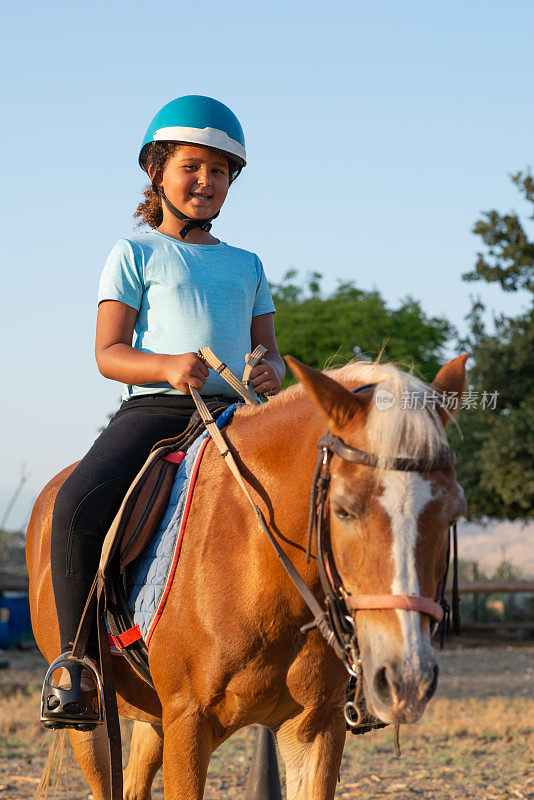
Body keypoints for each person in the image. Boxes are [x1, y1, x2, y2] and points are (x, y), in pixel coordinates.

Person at [42, 95, 285, 729]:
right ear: (158, 171)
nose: (206, 181)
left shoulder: (247, 263)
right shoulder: (133, 252)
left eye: (220, 171)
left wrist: (270, 370)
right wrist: (168, 365)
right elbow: (109, 353)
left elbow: (272, 355)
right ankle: (77, 666)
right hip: (157, 409)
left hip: (238, 412)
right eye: (192, 167)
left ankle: (337, 657)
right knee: (75, 506)